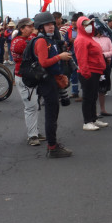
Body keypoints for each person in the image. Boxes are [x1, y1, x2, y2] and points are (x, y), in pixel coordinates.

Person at [32, 11, 73, 158]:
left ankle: (53, 145)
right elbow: (44, 62)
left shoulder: (50, 40)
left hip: (52, 80)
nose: (50, 27)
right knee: (51, 116)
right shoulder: (41, 41)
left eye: (52, 24)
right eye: (47, 24)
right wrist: (59, 57)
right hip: (47, 82)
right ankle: (52, 147)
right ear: (40, 27)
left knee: (53, 114)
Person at [11, 18, 47, 146]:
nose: (32, 28)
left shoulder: (26, 39)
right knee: (31, 107)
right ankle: (32, 136)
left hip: (31, 76)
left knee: (35, 105)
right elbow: (32, 47)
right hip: (23, 77)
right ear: (21, 29)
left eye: (32, 26)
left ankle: (35, 132)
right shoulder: (18, 42)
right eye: (28, 26)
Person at [74, 16, 109, 131]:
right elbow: (81, 58)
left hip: (95, 71)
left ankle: (93, 119)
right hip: (88, 72)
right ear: (80, 26)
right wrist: (86, 72)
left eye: (90, 24)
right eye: (85, 25)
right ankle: (87, 121)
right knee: (88, 97)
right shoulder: (81, 40)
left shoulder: (89, 38)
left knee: (93, 96)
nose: (88, 27)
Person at [92, 18, 112, 116]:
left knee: (103, 88)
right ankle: (94, 111)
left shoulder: (107, 39)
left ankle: (103, 109)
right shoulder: (91, 39)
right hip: (94, 64)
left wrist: (104, 55)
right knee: (94, 88)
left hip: (105, 64)